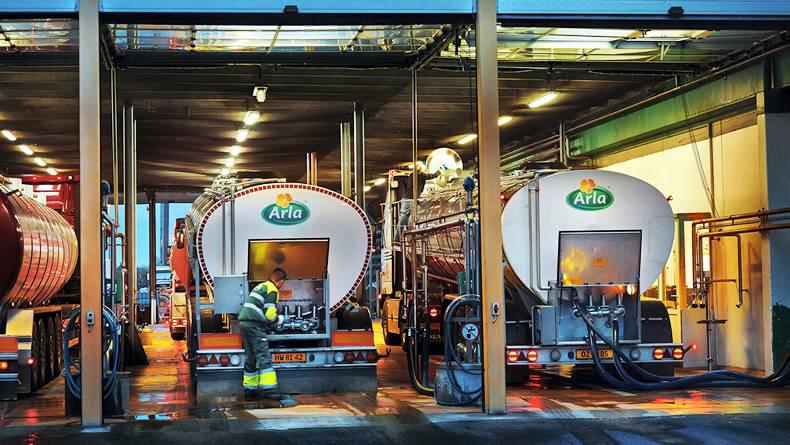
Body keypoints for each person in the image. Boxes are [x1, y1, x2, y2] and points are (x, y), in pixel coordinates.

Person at [238, 267, 298, 407]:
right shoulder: (272, 290)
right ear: (281, 282)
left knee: (251, 357)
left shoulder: (262, 286)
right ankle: (270, 391)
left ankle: (250, 389)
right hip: (254, 325)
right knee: (263, 356)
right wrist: (281, 319)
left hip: (244, 323)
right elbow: (269, 315)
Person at [393, 163, 445, 240]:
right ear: (420, 168)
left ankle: (405, 235)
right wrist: (439, 171)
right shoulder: (419, 175)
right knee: (405, 218)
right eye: (423, 168)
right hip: (409, 199)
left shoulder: (413, 175)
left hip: (409, 199)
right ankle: (398, 237)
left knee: (406, 218)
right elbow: (431, 176)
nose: (425, 170)